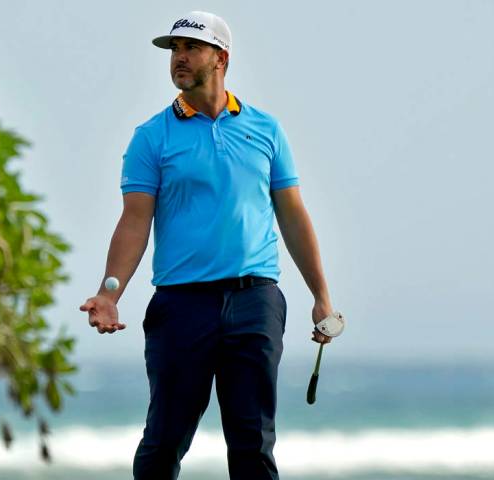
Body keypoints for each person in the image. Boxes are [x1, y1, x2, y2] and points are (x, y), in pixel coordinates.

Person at [80, 11, 338, 480]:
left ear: (221, 58)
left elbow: (294, 216)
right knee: (164, 440)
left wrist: (321, 297)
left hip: (255, 300)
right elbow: (135, 221)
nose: (179, 58)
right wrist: (109, 292)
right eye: (174, 50)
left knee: (253, 444)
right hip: (181, 306)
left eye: (190, 48)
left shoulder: (266, 130)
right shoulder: (152, 137)